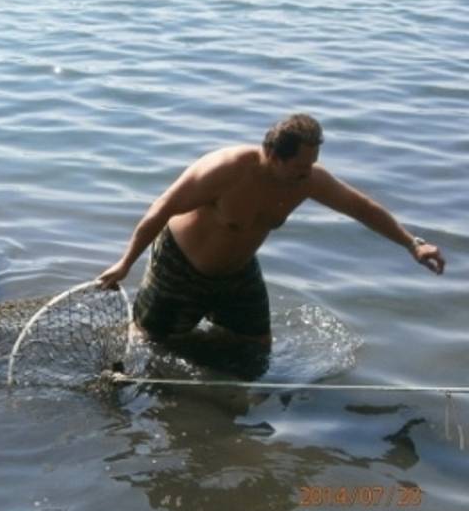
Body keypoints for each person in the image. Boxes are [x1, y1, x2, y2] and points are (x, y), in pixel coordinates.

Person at [97, 114, 445, 353]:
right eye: (299, 167)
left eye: (311, 164)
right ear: (273, 156)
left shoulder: (308, 180)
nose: (307, 174)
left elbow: (362, 208)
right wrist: (125, 263)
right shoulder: (225, 170)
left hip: (238, 272)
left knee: (257, 345)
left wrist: (412, 244)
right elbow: (162, 208)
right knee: (150, 345)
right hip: (181, 266)